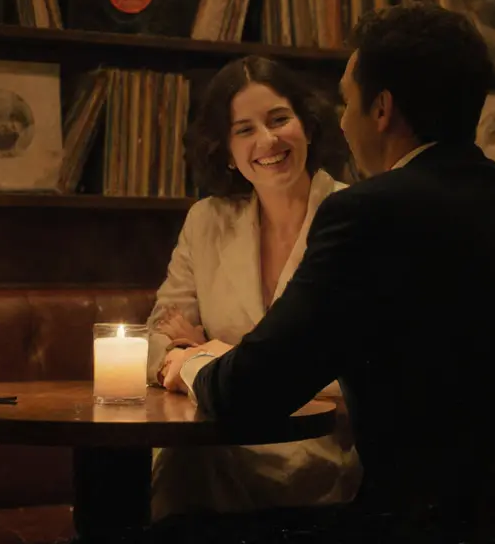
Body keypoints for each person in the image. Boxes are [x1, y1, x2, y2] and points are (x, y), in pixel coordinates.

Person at [161, 3, 495, 538]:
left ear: (382, 110)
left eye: (348, 101)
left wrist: (193, 358)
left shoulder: (366, 212)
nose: (343, 122)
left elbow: (247, 393)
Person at [144, 55, 361, 522]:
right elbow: (157, 337)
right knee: (180, 461)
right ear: (226, 149)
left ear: (306, 125)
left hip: (320, 448)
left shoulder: (352, 214)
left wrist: (212, 354)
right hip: (216, 437)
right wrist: (182, 357)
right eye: (244, 129)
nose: (268, 140)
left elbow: (355, 371)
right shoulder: (207, 221)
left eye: (279, 119)